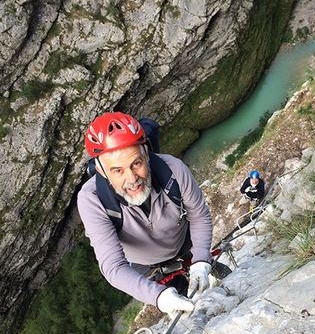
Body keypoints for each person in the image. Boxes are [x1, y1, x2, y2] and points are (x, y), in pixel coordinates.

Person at [77, 112, 213, 319]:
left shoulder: (173, 171)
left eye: (136, 164)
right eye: (117, 171)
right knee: (185, 315)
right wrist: (159, 296)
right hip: (147, 267)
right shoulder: (92, 200)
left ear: (147, 155)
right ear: (101, 171)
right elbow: (113, 266)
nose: (132, 179)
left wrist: (202, 259)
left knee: (214, 282)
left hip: (187, 246)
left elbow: (199, 214)